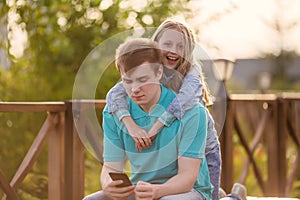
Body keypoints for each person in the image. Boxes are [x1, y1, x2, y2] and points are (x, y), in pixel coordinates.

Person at [83, 38, 212, 200]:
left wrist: (158, 191)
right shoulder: (113, 112)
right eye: (127, 81)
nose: (135, 89)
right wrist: (108, 184)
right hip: (141, 189)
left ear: (159, 72)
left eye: (142, 80)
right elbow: (111, 167)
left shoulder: (192, 112)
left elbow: (187, 177)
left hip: (187, 191)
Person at [106, 18, 221, 199]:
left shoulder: (191, 73)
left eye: (181, 46)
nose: (174, 50)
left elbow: (181, 104)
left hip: (205, 147)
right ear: (156, 45)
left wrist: (155, 128)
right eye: (167, 44)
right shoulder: (144, 70)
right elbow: (114, 96)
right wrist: (130, 124)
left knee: (210, 195)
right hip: (173, 148)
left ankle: (231, 196)